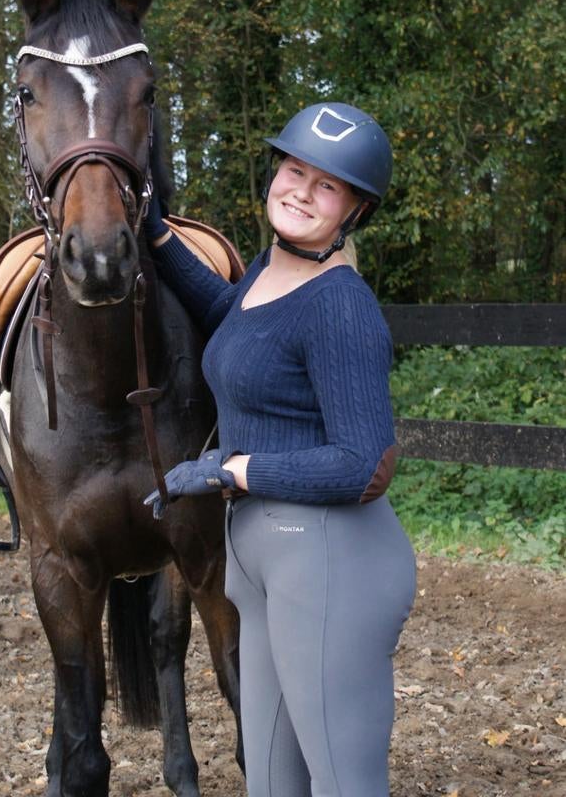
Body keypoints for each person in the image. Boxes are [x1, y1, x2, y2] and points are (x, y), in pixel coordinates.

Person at [143, 101, 416, 797]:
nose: (300, 191)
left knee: (344, 784)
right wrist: (155, 232)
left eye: (327, 185)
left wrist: (233, 469)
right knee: (269, 781)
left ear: (354, 210)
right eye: (294, 171)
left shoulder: (339, 305)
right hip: (263, 564)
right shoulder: (268, 271)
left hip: (330, 564)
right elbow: (231, 321)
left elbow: (363, 464)